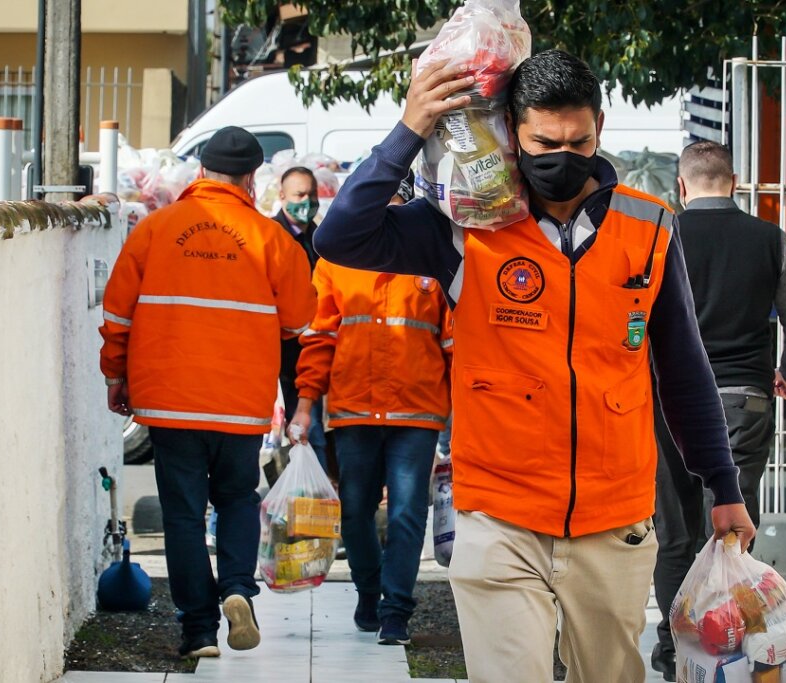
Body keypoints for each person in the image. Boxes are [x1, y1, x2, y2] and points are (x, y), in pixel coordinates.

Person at [312, 49, 754, 682]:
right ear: (511, 131)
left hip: (613, 520)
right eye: (545, 142)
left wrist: (724, 486)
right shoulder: (465, 226)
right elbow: (340, 236)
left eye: (579, 141)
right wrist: (410, 129)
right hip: (499, 516)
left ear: (600, 128)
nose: (563, 157)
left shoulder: (649, 226)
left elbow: (683, 369)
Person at [99, 126, 316, 659]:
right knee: (238, 499)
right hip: (239, 403)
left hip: (169, 400)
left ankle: (198, 632)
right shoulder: (272, 239)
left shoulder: (156, 228)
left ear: (201, 172)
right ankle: (237, 588)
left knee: (182, 516)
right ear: (251, 178)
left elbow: (117, 313)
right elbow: (299, 319)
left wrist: (115, 376)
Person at [649, 140, 786, 679]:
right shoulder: (768, 238)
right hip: (743, 401)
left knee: (675, 533)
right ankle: (730, 649)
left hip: (668, 405)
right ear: (735, 183)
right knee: (730, 530)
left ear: (681, 186)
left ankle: (675, 649)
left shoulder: (662, 234)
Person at [288, 177, 453, 646]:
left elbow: (454, 344)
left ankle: (396, 610)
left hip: (416, 411)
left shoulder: (432, 260)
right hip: (354, 408)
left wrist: (464, 417)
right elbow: (319, 339)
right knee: (356, 510)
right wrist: (304, 406)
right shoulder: (336, 261)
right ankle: (368, 591)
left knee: (406, 513)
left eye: (395, 206)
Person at [273, 166, 329, 468]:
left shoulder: (321, 239)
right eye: (299, 195)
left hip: (312, 352)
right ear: (282, 196)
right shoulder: (273, 238)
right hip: (282, 354)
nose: (307, 202)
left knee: (310, 431)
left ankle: (313, 491)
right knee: (297, 431)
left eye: (312, 194)